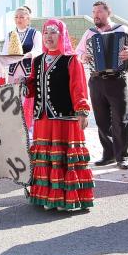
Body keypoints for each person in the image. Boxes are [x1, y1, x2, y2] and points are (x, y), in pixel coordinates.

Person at [25, 18, 93, 212]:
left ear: (61, 35)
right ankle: (47, 196)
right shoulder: (37, 61)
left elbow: (79, 88)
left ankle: (66, 198)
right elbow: (32, 89)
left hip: (65, 119)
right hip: (43, 119)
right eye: (46, 33)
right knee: (47, 158)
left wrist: (82, 111)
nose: (48, 37)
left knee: (63, 158)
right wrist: (23, 84)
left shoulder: (71, 60)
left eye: (53, 33)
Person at [75, 0, 128, 169]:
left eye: (99, 12)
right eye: (94, 12)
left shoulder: (122, 30)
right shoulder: (90, 33)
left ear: (108, 13)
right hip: (96, 80)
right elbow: (78, 52)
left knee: (120, 120)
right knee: (102, 120)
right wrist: (84, 57)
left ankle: (122, 156)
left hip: (117, 80)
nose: (96, 15)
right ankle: (108, 154)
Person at [0, 5, 43, 131]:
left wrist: (28, 55)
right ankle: (15, 125)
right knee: (14, 95)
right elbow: (5, 50)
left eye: (22, 17)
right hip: (13, 71)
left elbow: (39, 50)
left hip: (28, 70)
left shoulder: (35, 33)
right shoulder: (10, 34)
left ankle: (30, 126)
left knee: (28, 96)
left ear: (28, 19)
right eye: (16, 17)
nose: (19, 19)